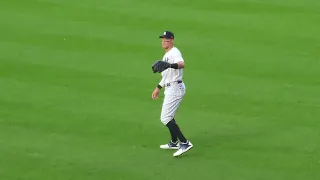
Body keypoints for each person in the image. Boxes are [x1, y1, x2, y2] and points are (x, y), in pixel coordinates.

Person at [152, 31, 193, 157]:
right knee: (169, 116)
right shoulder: (167, 54)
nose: (164, 41)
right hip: (170, 88)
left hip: (175, 88)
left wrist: (170, 65)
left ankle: (185, 143)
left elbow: (182, 64)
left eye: (167, 39)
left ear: (172, 40)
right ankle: (174, 142)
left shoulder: (175, 52)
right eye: (163, 39)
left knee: (165, 118)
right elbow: (166, 76)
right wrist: (158, 87)